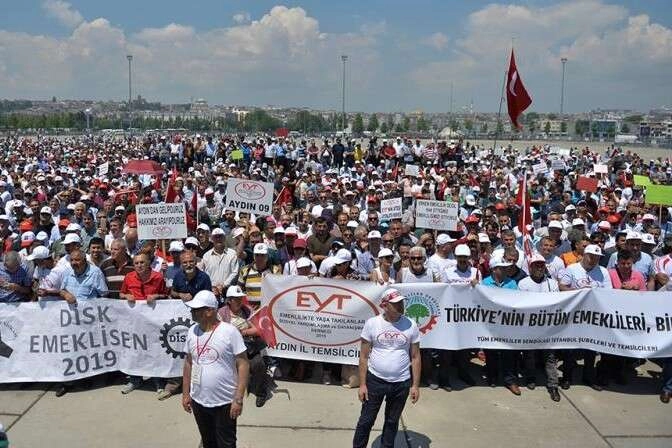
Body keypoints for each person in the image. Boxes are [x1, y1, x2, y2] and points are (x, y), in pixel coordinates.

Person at [353, 288, 420, 448]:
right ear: (384, 305)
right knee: (366, 421)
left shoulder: (411, 325)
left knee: (391, 421)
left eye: (401, 302)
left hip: (401, 383)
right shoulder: (372, 324)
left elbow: (416, 357)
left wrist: (415, 385)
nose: (400, 306)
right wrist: (362, 384)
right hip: (375, 381)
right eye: (395, 303)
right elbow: (363, 356)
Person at [182, 290, 250, 448]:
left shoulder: (229, 332)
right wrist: (186, 394)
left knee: (226, 444)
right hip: (199, 400)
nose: (192, 312)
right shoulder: (192, 331)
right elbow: (188, 363)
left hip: (224, 402)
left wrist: (238, 399)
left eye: (196, 309)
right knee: (208, 442)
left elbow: (243, 364)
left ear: (209, 311)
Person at [119, 252, 169, 396]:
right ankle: (135, 380)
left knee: (155, 351)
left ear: (148, 264)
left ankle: (158, 381)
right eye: (136, 263)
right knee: (135, 350)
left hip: (153, 321)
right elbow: (121, 294)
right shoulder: (129, 277)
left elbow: (166, 296)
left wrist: (157, 296)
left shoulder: (158, 277)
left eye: (142, 262)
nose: (139, 265)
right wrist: (126, 295)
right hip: (134, 322)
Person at [218, 285, 274, 408]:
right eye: (236, 299)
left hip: (247, 346)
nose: (239, 301)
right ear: (229, 300)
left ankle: (261, 392)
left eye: (240, 298)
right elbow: (217, 332)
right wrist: (232, 333)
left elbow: (258, 330)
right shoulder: (221, 313)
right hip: (228, 348)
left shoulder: (247, 310)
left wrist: (243, 332)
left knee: (258, 364)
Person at [518, 253, 562, 402]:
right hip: (529, 326)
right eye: (536, 265)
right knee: (529, 355)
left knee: (550, 357)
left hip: (547, 326)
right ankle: (531, 377)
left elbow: (555, 303)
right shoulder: (523, 283)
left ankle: (553, 385)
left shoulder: (552, 283)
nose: (539, 268)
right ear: (530, 268)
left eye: (541, 265)